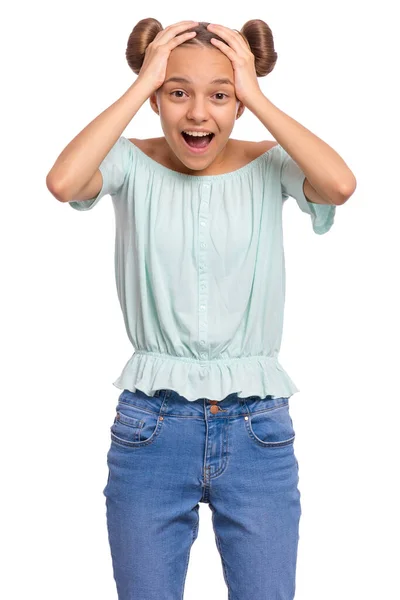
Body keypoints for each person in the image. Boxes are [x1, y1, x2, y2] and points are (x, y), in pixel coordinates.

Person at [46, 18, 356, 600]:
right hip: (151, 429)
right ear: (157, 96)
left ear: (239, 102)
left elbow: (339, 184)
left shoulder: (271, 163)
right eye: (176, 91)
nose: (197, 113)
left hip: (257, 430)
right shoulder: (130, 163)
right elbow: (64, 182)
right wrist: (141, 83)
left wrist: (257, 96)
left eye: (220, 94)